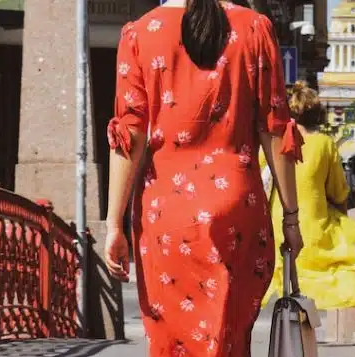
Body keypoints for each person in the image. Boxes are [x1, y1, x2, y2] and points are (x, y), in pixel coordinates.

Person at [102, 1, 304, 356]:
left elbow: (128, 136)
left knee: (171, 339)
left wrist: (113, 224)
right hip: (237, 205)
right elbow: (275, 130)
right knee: (229, 335)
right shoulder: (254, 28)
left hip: (166, 214)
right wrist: (291, 216)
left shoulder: (140, 34)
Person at [260, 81, 355, 310]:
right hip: (312, 233)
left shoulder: (272, 142)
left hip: (276, 231)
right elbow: (338, 192)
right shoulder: (325, 144)